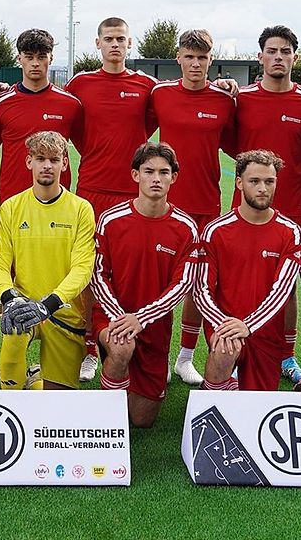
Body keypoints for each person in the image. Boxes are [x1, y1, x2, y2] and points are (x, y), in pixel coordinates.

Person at [65, 16, 160, 382]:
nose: (115, 45)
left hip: (132, 193)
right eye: (109, 39)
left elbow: (147, 127)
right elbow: (74, 131)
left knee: (129, 272)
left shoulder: (146, 86)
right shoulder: (80, 84)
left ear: (130, 43)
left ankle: (135, 342)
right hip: (91, 191)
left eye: (121, 38)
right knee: (89, 271)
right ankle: (90, 347)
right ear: (98, 43)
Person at [235, 25, 301, 384]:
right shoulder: (240, 98)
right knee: (240, 279)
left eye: (285, 51)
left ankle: (287, 355)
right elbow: (231, 145)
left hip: (293, 209)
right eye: (271, 51)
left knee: (287, 285)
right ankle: (239, 344)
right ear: (260, 57)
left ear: (294, 57)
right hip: (246, 209)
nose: (278, 57)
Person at [150, 28, 236, 386]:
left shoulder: (225, 100)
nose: (196, 63)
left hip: (206, 204)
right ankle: (156, 357)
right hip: (165, 205)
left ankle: (185, 358)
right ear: (179, 59)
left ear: (211, 60)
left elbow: (236, 146)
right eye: (190, 56)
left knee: (201, 284)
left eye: (203, 57)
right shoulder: (159, 94)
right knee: (161, 282)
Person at [92, 142, 198, 426]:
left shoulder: (185, 227)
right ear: (135, 175)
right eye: (149, 171)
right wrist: (120, 318)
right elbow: (98, 276)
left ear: (173, 178)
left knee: (142, 421)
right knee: (122, 345)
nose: (156, 178)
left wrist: (140, 318)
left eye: (164, 172)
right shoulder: (110, 220)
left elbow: (182, 284)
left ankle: (123, 376)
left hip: (153, 327)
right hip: (112, 318)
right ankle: (106, 417)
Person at [0, 131, 95, 390]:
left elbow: (83, 268)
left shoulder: (81, 208)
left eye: (54, 159)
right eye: (40, 158)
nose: (47, 165)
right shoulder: (12, 207)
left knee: (57, 404)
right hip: (24, 306)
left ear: (64, 163)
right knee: (14, 328)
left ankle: (35, 380)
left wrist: (48, 304)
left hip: (64, 312)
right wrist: (9, 297)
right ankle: (11, 402)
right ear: (29, 162)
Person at [195, 150, 301, 391]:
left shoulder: (290, 232)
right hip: (223, 326)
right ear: (239, 183)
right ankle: (213, 391)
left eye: (269, 181)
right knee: (226, 347)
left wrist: (249, 325)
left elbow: (281, 292)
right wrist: (224, 324)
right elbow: (202, 290)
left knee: (256, 411)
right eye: (254, 181)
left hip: (265, 332)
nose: (263, 188)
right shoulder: (216, 231)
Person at [0, 28, 83, 202]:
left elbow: (88, 151)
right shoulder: (0, 104)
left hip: (57, 201)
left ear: (51, 58)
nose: (35, 63)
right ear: (19, 58)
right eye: (29, 56)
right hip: (12, 200)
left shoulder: (71, 105)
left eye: (41, 56)